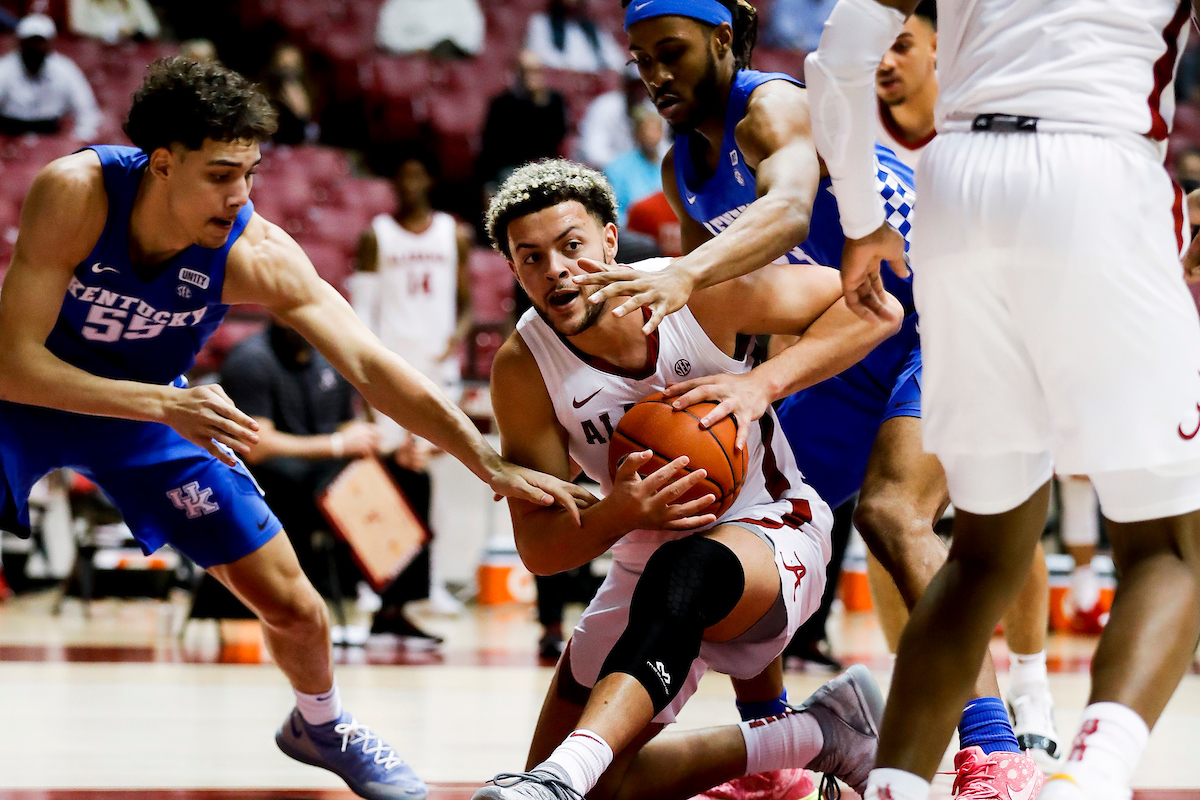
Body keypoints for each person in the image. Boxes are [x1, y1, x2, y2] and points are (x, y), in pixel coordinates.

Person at [0, 57, 584, 800]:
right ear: (162, 164)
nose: (239, 195)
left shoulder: (256, 253)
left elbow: (372, 366)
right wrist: (162, 404)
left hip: (150, 415)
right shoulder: (76, 193)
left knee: (298, 609)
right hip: (31, 397)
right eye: (219, 174)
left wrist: (485, 460)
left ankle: (321, 722)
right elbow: (10, 366)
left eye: (250, 172)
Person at [573, 2, 1043, 794]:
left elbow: (788, 209)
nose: (655, 75)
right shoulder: (676, 165)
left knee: (894, 515)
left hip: (956, 315)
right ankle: (777, 751)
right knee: (743, 529)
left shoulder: (773, 106)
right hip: (857, 337)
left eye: (671, 52)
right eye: (640, 59)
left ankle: (997, 753)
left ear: (723, 39)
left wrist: (684, 274)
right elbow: (727, 309)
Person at [804, 1, 1200, 799]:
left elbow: (837, 52)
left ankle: (897, 786)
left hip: (955, 186)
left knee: (984, 551)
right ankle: (1090, 779)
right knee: (1170, 543)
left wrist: (861, 217)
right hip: (1098, 168)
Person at [475, 157, 900, 800]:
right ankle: (818, 734)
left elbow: (872, 305)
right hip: (642, 558)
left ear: (610, 240)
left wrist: (763, 382)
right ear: (512, 269)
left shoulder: (698, 292)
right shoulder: (523, 368)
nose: (555, 270)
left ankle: (562, 776)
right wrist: (621, 512)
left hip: (773, 528)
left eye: (571, 246)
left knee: (687, 574)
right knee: (602, 792)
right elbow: (538, 548)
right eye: (530, 258)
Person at [865, 2, 1064, 768]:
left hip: (987, 331)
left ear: (943, 53)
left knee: (998, 507)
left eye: (903, 46)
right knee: (889, 527)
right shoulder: (851, 137)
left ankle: (1033, 685)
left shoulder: (982, 125)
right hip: (887, 345)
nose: (885, 61)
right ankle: (915, 675)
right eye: (877, 48)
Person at [221, 321, 443, 646]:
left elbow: (348, 428)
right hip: (273, 479)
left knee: (411, 476)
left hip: (327, 471)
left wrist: (395, 454)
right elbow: (257, 446)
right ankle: (327, 595)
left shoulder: (328, 357)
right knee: (333, 484)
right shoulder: (251, 360)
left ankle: (392, 610)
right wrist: (337, 445)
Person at [351, 152, 473, 618]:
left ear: (430, 180)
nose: (411, 182)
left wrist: (455, 339)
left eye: (419, 172)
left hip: (435, 371)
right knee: (384, 478)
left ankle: (433, 581)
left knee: (431, 479)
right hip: (389, 367)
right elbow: (360, 314)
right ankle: (374, 582)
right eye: (403, 174)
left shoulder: (453, 234)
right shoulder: (375, 236)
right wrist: (365, 376)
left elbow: (464, 306)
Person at [0, 14, 100, 140]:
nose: (34, 48)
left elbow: (87, 111)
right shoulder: (4, 69)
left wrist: (79, 141)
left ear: (50, 44)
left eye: (39, 42)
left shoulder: (65, 69)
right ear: (20, 43)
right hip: (10, 135)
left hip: (50, 136)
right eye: (30, 42)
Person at [478, 50, 568, 187]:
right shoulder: (502, 104)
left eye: (535, 71)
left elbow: (555, 139)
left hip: (544, 168)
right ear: (517, 74)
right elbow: (492, 150)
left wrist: (540, 103)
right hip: (511, 169)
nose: (531, 77)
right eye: (526, 71)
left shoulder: (554, 102)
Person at [524, 0, 626, 74]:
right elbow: (542, 58)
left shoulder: (592, 28)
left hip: (593, 85)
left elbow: (617, 61)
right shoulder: (541, 23)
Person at [604, 105, 665, 224]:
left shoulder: (670, 167)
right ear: (637, 133)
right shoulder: (617, 169)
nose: (652, 136)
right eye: (647, 129)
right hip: (632, 234)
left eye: (656, 129)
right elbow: (614, 212)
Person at [375, 0, 485, 57]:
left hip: (449, 63)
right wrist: (417, 48)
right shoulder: (398, 4)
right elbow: (386, 37)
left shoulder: (462, 3)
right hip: (409, 62)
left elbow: (472, 42)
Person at [262, 44, 319, 146]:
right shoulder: (264, 98)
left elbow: (312, 136)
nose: (289, 72)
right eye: (284, 66)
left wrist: (302, 113)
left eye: (294, 66)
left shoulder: (311, 93)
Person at [68, 0, 161, 43]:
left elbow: (152, 29)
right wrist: (114, 31)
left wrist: (133, 31)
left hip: (128, 57)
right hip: (93, 54)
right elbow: (77, 28)